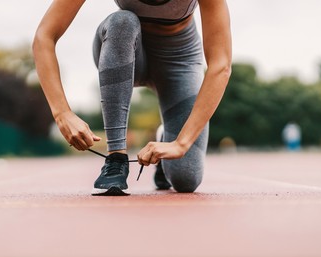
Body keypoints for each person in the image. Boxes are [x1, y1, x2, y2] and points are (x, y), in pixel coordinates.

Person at [33, 0, 232, 196]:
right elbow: (44, 36)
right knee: (123, 21)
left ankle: (166, 139)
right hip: (123, 46)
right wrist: (62, 113)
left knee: (186, 179)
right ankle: (116, 160)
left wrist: (181, 143)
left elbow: (220, 65)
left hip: (179, 59)